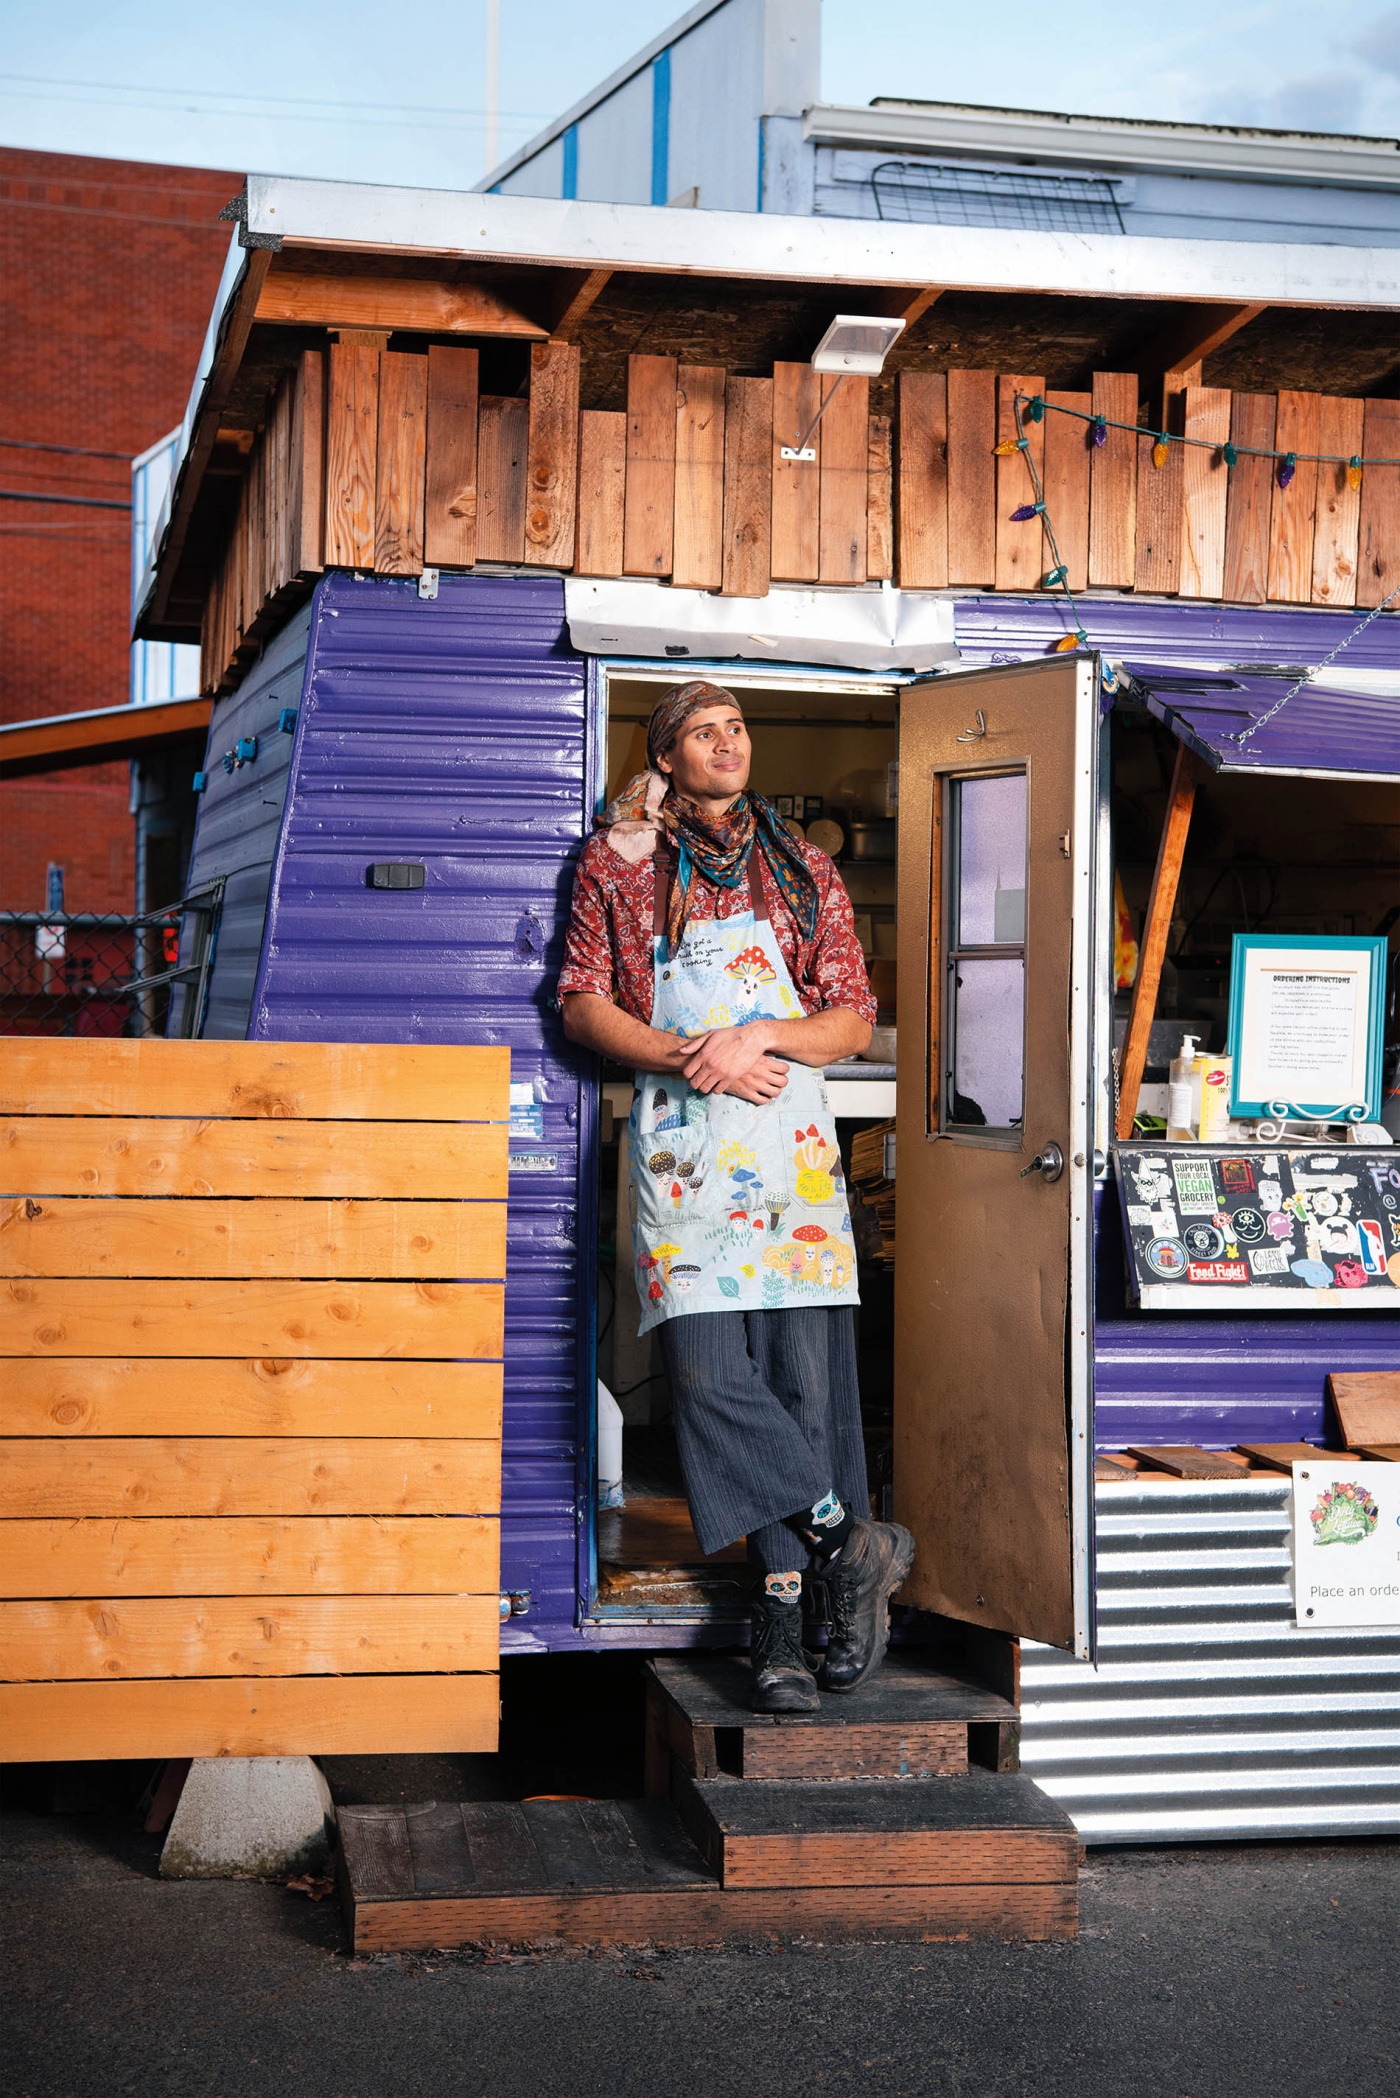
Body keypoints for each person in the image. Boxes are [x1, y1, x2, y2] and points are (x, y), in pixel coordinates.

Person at [559, 679, 914, 1713]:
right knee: (707, 1375)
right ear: (664, 755)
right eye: (704, 732)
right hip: (684, 1152)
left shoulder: (801, 868)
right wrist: (687, 1052)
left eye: (736, 728)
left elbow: (848, 1017)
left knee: (802, 1388)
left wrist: (756, 1036)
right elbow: (582, 1002)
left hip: (789, 1154)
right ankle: (850, 1539)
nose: (727, 744)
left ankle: (788, 1622)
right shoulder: (620, 864)